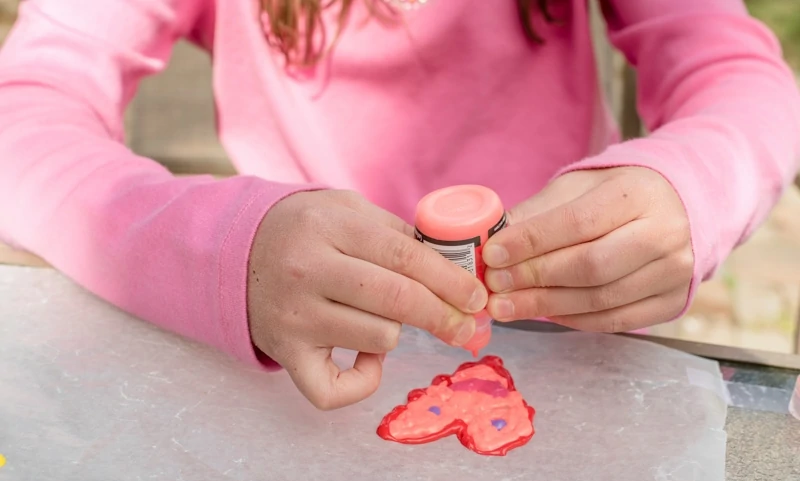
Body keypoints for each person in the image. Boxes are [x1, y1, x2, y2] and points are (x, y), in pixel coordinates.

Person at [0, 0, 798, 410]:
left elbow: (748, 83)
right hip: (306, 392)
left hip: (573, 373)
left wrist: (689, 185)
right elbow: (24, 114)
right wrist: (226, 253)